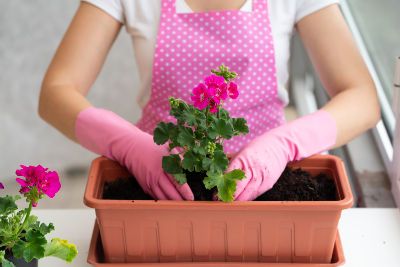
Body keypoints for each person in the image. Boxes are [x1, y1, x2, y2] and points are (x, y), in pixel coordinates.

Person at [38, 0, 380, 201]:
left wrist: (283, 144)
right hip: (160, 180)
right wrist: (129, 145)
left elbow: (363, 97)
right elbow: (55, 93)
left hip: (270, 179)